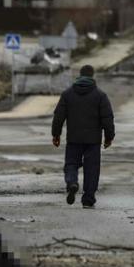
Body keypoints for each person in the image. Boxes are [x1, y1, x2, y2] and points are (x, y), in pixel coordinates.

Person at [52, 64, 115, 209]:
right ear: (92, 76)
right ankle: (88, 199)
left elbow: (58, 117)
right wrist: (109, 137)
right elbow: (107, 118)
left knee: (71, 164)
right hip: (93, 141)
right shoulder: (100, 95)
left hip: (73, 138)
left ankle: (72, 182)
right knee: (92, 169)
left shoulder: (67, 94)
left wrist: (56, 134)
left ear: (79, 75)